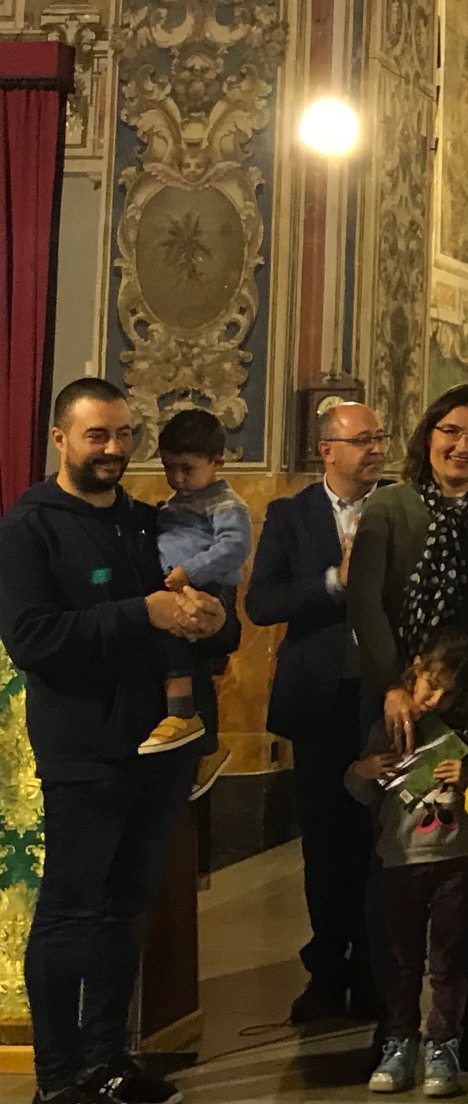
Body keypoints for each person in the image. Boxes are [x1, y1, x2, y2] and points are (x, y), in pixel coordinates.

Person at [0, 377, 240, 1104]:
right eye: (97, 435)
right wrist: (141, 613)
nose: (113, 448)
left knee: (128, 905)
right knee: (72, 911)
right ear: (60, 439)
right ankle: (57, 1079)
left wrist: (213, 623)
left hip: (164, 746)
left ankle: (107, 1060)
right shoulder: (29, 528)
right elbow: (33, 639)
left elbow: (203, 619)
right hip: (85, 749)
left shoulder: (146, 521)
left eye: (124, 434)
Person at [245, 399, 389, 1024]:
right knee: (327, 843)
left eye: (380, 438)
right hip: (320, 700)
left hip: (384, 697)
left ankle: (377, 972)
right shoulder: (291, 514)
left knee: (381, 841)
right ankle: (328, 970)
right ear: (327, 449)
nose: (376, 449)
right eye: (363, 440)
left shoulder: (399, 507)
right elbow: (262, 602)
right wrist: (335, 579)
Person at [348, 384, 468, 752]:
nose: (464, 446)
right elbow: (365, 602)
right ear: (429, 435)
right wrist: (394, 686)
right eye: (451, 431)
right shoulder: (386, 505)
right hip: (396, 692)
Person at [347, 632, 468, 1098]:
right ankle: (399, 1042)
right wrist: (364, 771)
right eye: (431, 685)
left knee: (448, 959)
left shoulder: (466, 732)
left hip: (456, 859)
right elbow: (358, 789)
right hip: (400, 860)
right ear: (416, 670)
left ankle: (443, 1045)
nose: (436, 699)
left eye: (449, 692)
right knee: (401, 959)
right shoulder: (388, 727)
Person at [140, 407, 251, 755]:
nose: (177, 477)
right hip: (179, 583)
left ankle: (184, 715)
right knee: (172, 648)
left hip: (208, 586)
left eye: (187, 468)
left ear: (217, 461)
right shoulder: (177, 502)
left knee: (177, 644)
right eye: (169, 467)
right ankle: (196, 737)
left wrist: (191, 571)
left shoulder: (224, 503)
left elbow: (235, 547)